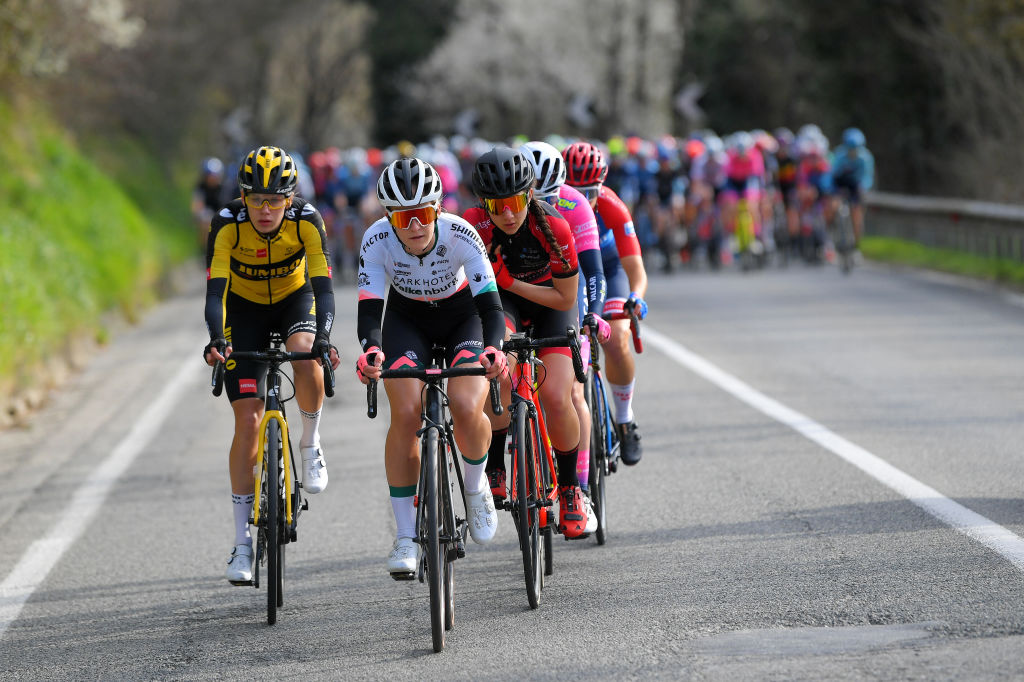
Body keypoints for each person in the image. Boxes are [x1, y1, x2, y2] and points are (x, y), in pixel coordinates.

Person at [355, 157, 506, 577]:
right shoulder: (375, 240)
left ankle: (476, 491)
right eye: (403, 217)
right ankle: (405, 535)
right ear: (389, 217)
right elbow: (370, 312)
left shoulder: (462, 235)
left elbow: (492, 309)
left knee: (464, 402)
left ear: (438, 209)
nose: (415, 225)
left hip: (464, 318)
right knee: (404, 413)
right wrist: (371, 350)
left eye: (423, 214)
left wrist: (493, 350)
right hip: (408, 321)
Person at [203, 145, 341, 583]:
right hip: (243, 311)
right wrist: (217, 340)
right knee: (248, 422)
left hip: (294, 300)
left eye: (275, 200)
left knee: (304, 350)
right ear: (243, 197)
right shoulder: (227, 224)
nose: (265, 210)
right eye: (256, 199)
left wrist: (325, 337)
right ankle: (242, 545)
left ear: (289, 198)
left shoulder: (306, 220)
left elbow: (323, 286)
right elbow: (215, 294)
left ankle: (311, 441)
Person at [463, 146, 589, 538]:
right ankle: (497, 462)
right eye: (496, 206)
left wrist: (510, 281)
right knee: (497, 371)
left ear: (530, 193)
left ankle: (570, 488)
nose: (507, 213)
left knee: (555, 394)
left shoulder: (554, 226)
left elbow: (567, 299)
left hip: (552, 303)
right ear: (484, 204)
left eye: (516, 202)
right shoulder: (472, 225)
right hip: (506, 306)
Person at [520, 139, 610, 536]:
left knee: (571, 392)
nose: (542, 207)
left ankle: (581, 487)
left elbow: (592, 271)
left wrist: (592, 316)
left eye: (550, 198)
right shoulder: (503, 210)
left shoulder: (574, 206)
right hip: (522, 296)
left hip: (564, 297)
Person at [562, 141, 649, 465]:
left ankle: (625, 419)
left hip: (609, 269)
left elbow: (634, 268)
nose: (584, 200)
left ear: (602, 183)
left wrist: (636, 296)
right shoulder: (553, 204)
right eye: (575, 190)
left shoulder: (612, 205)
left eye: (591, 191)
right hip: (574, 272)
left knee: (617, 339)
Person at [829, 127, 875, 247]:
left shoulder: (866, 158)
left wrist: (863, 187)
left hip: (856, 186)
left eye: (855, 149)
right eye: (850, 149)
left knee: (857, 214)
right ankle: (833, 233)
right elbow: (833, 174)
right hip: (840, 183)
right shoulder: (839, 155)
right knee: (833, 206)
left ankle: (856, 244)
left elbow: (867, 177)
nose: (852, 151)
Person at [191, 157, 226, 251]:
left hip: (221, 215)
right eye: (209, 176)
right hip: (206, 216)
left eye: (215, 176)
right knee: (206, 222)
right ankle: (205, 249)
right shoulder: (200, 188)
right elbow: (196, 205)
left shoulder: (224, 188)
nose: (212, 179)